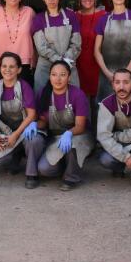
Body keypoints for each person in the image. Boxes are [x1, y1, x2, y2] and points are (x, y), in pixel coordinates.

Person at [0, 52, 44, 189]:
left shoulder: (24, 87)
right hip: (6, 131)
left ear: (19, 69)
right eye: (4, 66)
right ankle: (16, 156)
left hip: (24, 130)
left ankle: (32, 174)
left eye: (12, 67)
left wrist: (16, 134)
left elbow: (31, 115)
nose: (7, 70)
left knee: (33, 141)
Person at [36, 61, 95, 191]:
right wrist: (33, 126)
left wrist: (68, 133)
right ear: (49, 77)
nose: (58, 79)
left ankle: (71, 177)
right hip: (56, 137)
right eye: (54, 75)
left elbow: (80, 126)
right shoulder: (43, 94)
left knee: (73, 143)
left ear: (69, 77)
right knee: (44, 169)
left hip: (79, 135)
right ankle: (65, 164)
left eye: (62, 75)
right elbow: (43, 121)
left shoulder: (77, 94)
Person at [31, 0, 82, 95]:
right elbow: (41, 47)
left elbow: (76, 43)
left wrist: (66, 60)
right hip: (45, 68)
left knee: (72, 99)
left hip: (69, 64)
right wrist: (59, 60)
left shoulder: (71, 16)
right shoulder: (38, 19)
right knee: (43, 100)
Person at [75, 0, 106, 133]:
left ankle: (98, 135)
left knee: (97, 102)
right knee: (81, 102)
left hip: (97, 64)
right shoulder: (74, 16)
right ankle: (84, 135)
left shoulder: (104, 16)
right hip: (79, 64)